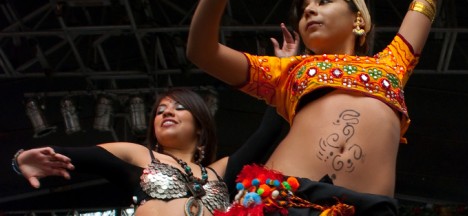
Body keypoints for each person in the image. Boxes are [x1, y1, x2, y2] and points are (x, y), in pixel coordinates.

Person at [186, 0, 439, 214]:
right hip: (281, 201)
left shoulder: (393, 62)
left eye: (324, 1)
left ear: (358, 20)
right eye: (303, 10)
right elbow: (202, 53)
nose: (308, 10)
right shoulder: (289, 70)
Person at [11, 88, 283, 216]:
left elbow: (266, 134)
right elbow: (76, 155)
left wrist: (280, 78)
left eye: (179, 107)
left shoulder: (218, 171)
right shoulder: (139, 155)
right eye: (161, 110)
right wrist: (22, 160)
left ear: (200, 126)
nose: (167, 112)